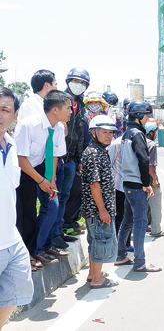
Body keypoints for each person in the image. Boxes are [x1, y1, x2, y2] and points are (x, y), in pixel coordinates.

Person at [14, 90, 73, 265]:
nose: (71, 111)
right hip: (20, 172)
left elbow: (54, 155)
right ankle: (27, 255)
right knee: (26, 213)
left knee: (52, 205)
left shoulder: (59, 126)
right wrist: (40, 180)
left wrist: (51, 179)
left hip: (41, 168)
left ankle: (43, 246)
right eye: (68, 108)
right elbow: (20, 158)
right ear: (55, 109)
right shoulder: (28, 125)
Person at [0, 87, 34, 327]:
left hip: (11, 239)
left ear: (15, 115)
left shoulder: (11, 146)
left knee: (15, 293)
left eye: (4, 109)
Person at [115, 100, 161, 272]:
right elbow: (143, 159)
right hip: (136, 184)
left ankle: (120, 255)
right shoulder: (138, 134)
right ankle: (140, 261)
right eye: (147, 115)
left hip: (126, 182)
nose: (148, 118)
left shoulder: (127, 133)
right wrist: (146, 184)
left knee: (127, 221)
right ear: (139, 115)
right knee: (140, 223)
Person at [82, 116, 119, 289]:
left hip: (96, 209)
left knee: (95, 242)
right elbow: (94, 183)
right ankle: (97, 279)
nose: (109, 135)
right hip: (97, 210)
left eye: (111, 132)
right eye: (104, 132)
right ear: (93, 132)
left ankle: (93, 274)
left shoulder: (98, 150)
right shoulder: (94, 153)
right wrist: (103, 210)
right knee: (101, 242)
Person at [62, 68, 89, 237]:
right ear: (68, 81)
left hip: (73, 156)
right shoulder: (61, 101)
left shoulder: (80, 105)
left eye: (82, 83)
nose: (79, 85)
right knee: (62, 194)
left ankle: (69, 222)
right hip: (60, 156)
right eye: (76, 81)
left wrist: (79, 159)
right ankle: (61, 228)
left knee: (75, 190)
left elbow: (79, 136)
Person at [145, 118, 164, 237]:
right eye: (156, 132)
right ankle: (156, 229)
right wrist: (155, 179)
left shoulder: (139, 141)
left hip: (139, 180)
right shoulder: (151, 144)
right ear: (151, 132)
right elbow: (150, 165)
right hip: (150, 181)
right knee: (156, 205)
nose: (156, 135)